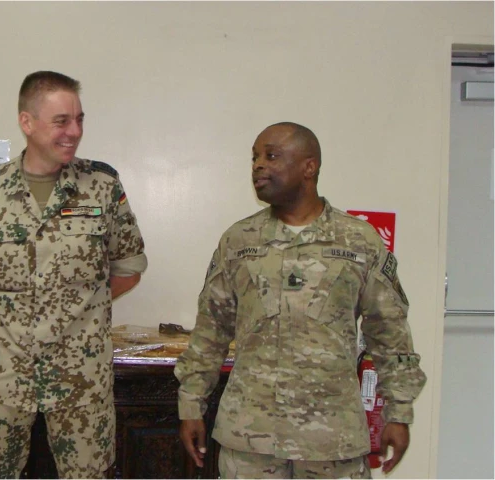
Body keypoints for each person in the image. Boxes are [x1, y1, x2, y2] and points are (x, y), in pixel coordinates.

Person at [175, 122, 427, 479]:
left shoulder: (358, 241)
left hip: (331, 443)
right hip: (250, 442)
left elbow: (389, 332)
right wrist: (191, 404)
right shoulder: (239, 240)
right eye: (255, 157)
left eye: (271, 155)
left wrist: (398, 414)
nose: (258, 166)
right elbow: (210, 331)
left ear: (309, 167)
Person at [0, 70, 148, 479]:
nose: (74, 131)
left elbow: (128, 267)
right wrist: (13, 299)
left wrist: (79, 303)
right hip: (1, 371)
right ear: (27, 122)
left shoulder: (102, 186)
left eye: (79, 119)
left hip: (80, 375)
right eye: (61, 121)